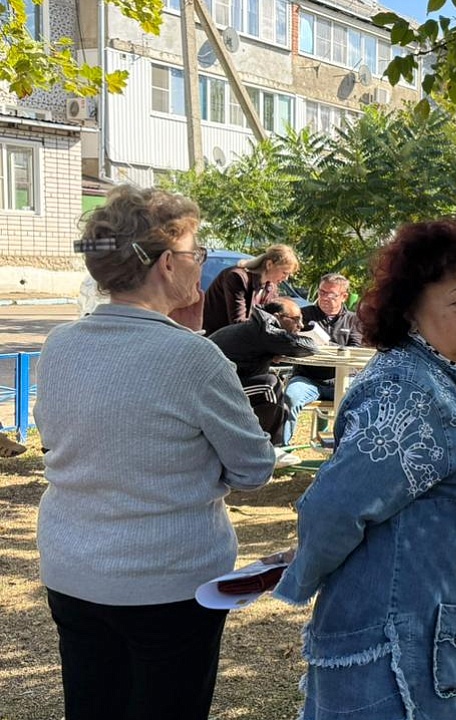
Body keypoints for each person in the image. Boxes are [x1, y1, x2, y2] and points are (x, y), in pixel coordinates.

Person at [34, 185, 275, 720]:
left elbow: (64, 440)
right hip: (170, 581)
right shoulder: (194, 358)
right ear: (168, 263)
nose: (200, 266)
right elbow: (254, 467)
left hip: (73, 569)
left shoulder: (59, 346)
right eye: (197, 253)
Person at [274, 220, 456, 720]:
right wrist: (300, 572)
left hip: (431, 628)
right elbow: (337, 506)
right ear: (410, 310)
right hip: (401, 643)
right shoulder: (409, 389)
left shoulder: (441, 377)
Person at [209, 299, 318, 455]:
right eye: (296, 319)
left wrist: (271, 351)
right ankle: (268, 449)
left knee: (277, 396)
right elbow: (308, 346)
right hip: (215, 388)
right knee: (270, 386)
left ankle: (270, 447)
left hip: (228, 381)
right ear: (277, 317)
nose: (301, 325)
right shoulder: (266, 331)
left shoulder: (258, 327)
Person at [281, 273, 364, 446]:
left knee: (365, 404)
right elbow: (289, 344)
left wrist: (328, 346)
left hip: (342, 382)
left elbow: (355, 352)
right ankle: (280, 448)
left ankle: (348, 451)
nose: (325, 298)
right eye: (321, 292)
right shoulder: (302, 315)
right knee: (290, 398)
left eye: (331, 294)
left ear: (344, 296)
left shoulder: (353, 320)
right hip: (308, 379)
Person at [202, 244, 298, 335]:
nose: (286, 278)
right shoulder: (236, 277)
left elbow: (269, 319)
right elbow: (237, 323)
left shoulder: (271, 288)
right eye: (285, 273)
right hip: (213, 340)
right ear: (269, 264)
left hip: (237, 341)